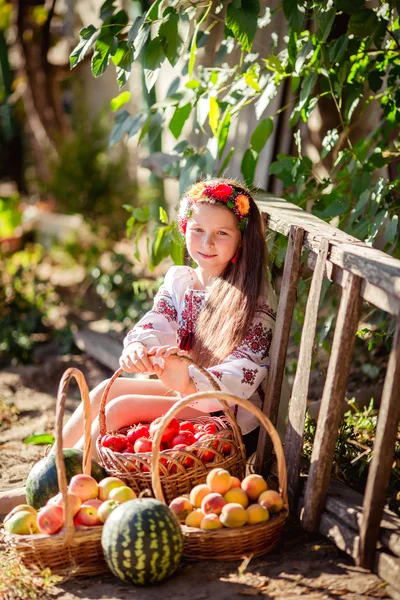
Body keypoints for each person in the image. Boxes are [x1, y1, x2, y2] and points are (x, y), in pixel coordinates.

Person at [0, 178, 285, 515]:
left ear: (241, 239)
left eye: (222, 233)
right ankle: (48, 473)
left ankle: (66, 495)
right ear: (184, 227)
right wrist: (141, 346)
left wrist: (189, 379)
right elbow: (158, 320)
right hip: (185, 391)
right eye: (197, 230)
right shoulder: (183, 280)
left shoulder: (253, 299)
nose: (207, 242)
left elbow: (245, 369)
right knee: (103, 390)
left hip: (227, 409)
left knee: (120, 408)